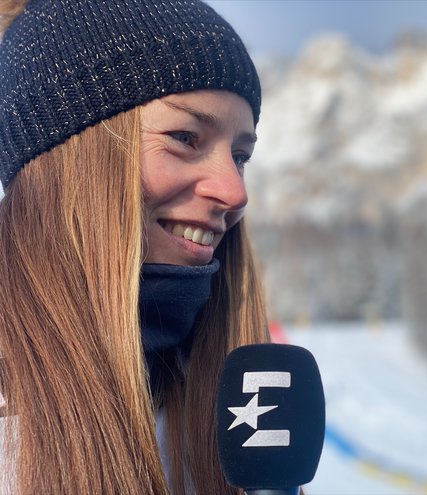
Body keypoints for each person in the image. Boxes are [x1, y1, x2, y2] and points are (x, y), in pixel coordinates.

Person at [0, 1, 269, 493]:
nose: (234, 193)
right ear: (67, 160)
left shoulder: (241, 409)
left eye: (240, 156)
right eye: (185, 137)